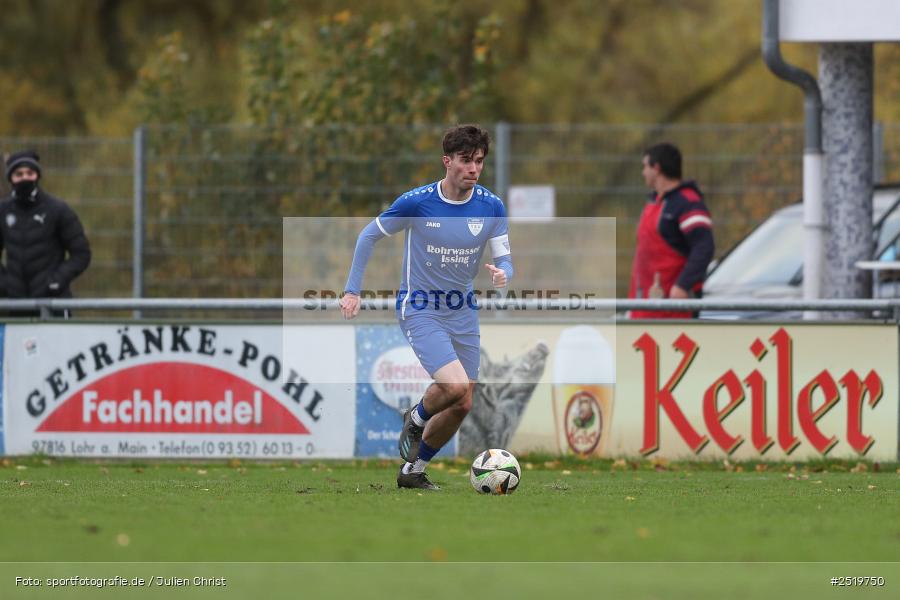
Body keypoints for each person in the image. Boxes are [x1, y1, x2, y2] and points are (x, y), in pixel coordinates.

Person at [340, 125, 513, 490]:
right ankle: (416, 418)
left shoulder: (492, 206)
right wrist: (352, 290)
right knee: (453, 385)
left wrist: (504, 273)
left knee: (463, 402)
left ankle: (413, 471)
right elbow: (368, 235)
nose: (474, 168)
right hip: (420, 307)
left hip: (462, 309)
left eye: (479, 161)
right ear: (447, 161)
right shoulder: (417, 203)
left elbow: (505, 259)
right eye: (466, 160)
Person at [628, 143, 714, 319]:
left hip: (674, 308)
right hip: (645, 304)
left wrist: (683, 285)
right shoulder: (654, 202)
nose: (643, 172)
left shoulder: (687, 202)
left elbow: (704, 246)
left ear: (657, 168)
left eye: (645, 166)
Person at [0, 150, 91, 316]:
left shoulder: (58, 209)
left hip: (53, 303)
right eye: (19, 174)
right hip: (14, 305)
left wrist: (57, 280)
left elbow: (81, 253)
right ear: (11, 178)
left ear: (37, 176)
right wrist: (5, 284)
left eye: (30, 173)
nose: (25, 178)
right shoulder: (3, 211)